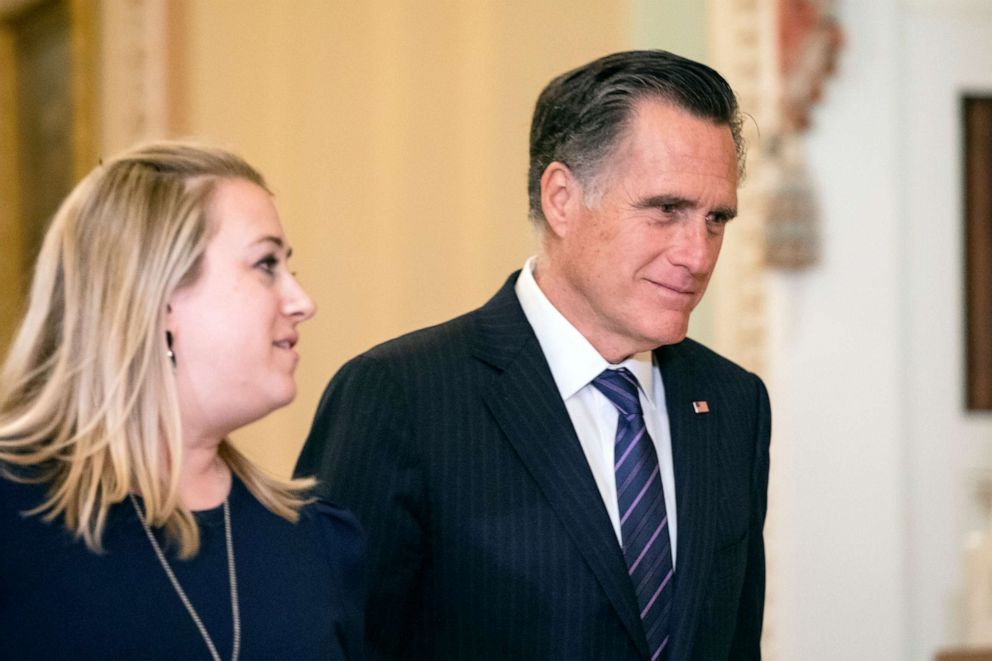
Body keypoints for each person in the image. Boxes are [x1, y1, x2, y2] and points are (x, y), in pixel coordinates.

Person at [297, 50, 770, 660]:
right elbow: (332, 642)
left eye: (716, 219)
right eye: (666, 211)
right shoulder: (400, 397)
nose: (698, 254)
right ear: (562, 199)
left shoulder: (733, 402)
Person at [0, 142, 364, 660]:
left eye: (290, 269)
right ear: (159, 297)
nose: (302, 302)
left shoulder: (316, 540)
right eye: (265, 264)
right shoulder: (13, 519)